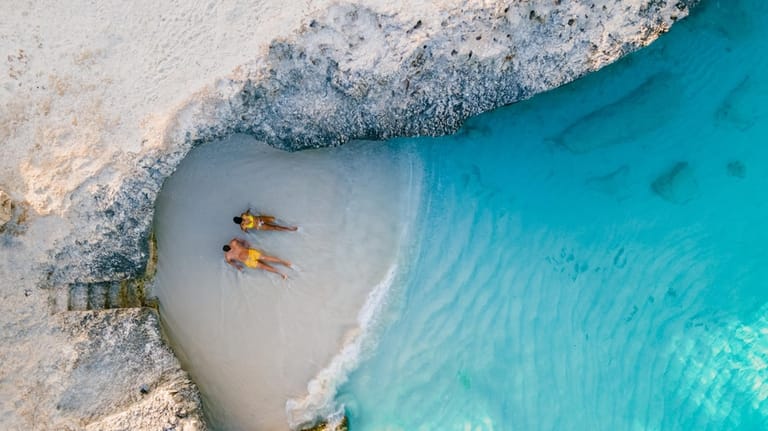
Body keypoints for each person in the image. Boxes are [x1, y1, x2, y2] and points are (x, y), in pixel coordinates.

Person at [222, 238, 292, 279]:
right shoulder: (228, 256)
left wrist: (246, 244)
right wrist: (238, 267)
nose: (231, 250)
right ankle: (281, 273)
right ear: (227, 251)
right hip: (248, 262)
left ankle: (284, 262)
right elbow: (230, 262)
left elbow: (241, 240)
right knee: (264, 267)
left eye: (230, 248)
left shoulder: (233, 242)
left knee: (266, 258)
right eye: (230, 250)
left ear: (229, 245)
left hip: (251, 253)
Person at [233, 209, 298, 232]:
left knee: (275, 227)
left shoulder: (243, 226)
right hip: (260, 220)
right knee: (274, 220)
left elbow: (246, 231)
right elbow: (247, 211)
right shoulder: (243, 215)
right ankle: (290, 227)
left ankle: (290, 229)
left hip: (259, 226)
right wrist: (249, 209)